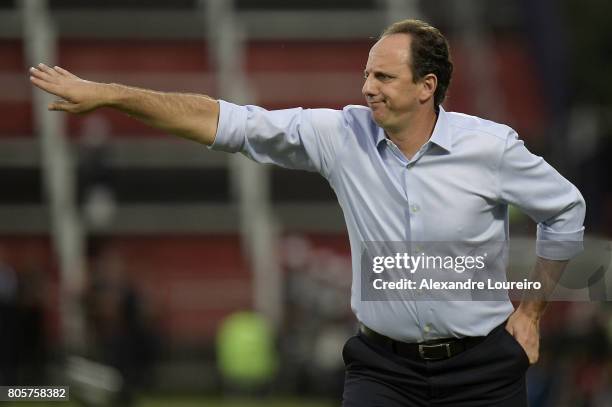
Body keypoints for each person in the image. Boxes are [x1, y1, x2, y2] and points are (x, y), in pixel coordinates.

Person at [30, 19, 585, 406]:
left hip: (482, 372)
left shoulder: (490, 147)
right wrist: (108, 93)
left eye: (383, 78)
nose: (366, 88)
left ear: (427, 87)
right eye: (366, 74)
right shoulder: (340, 135)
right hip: (383, 373)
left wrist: (532, 312)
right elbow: (226, 121)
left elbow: (565, 210)